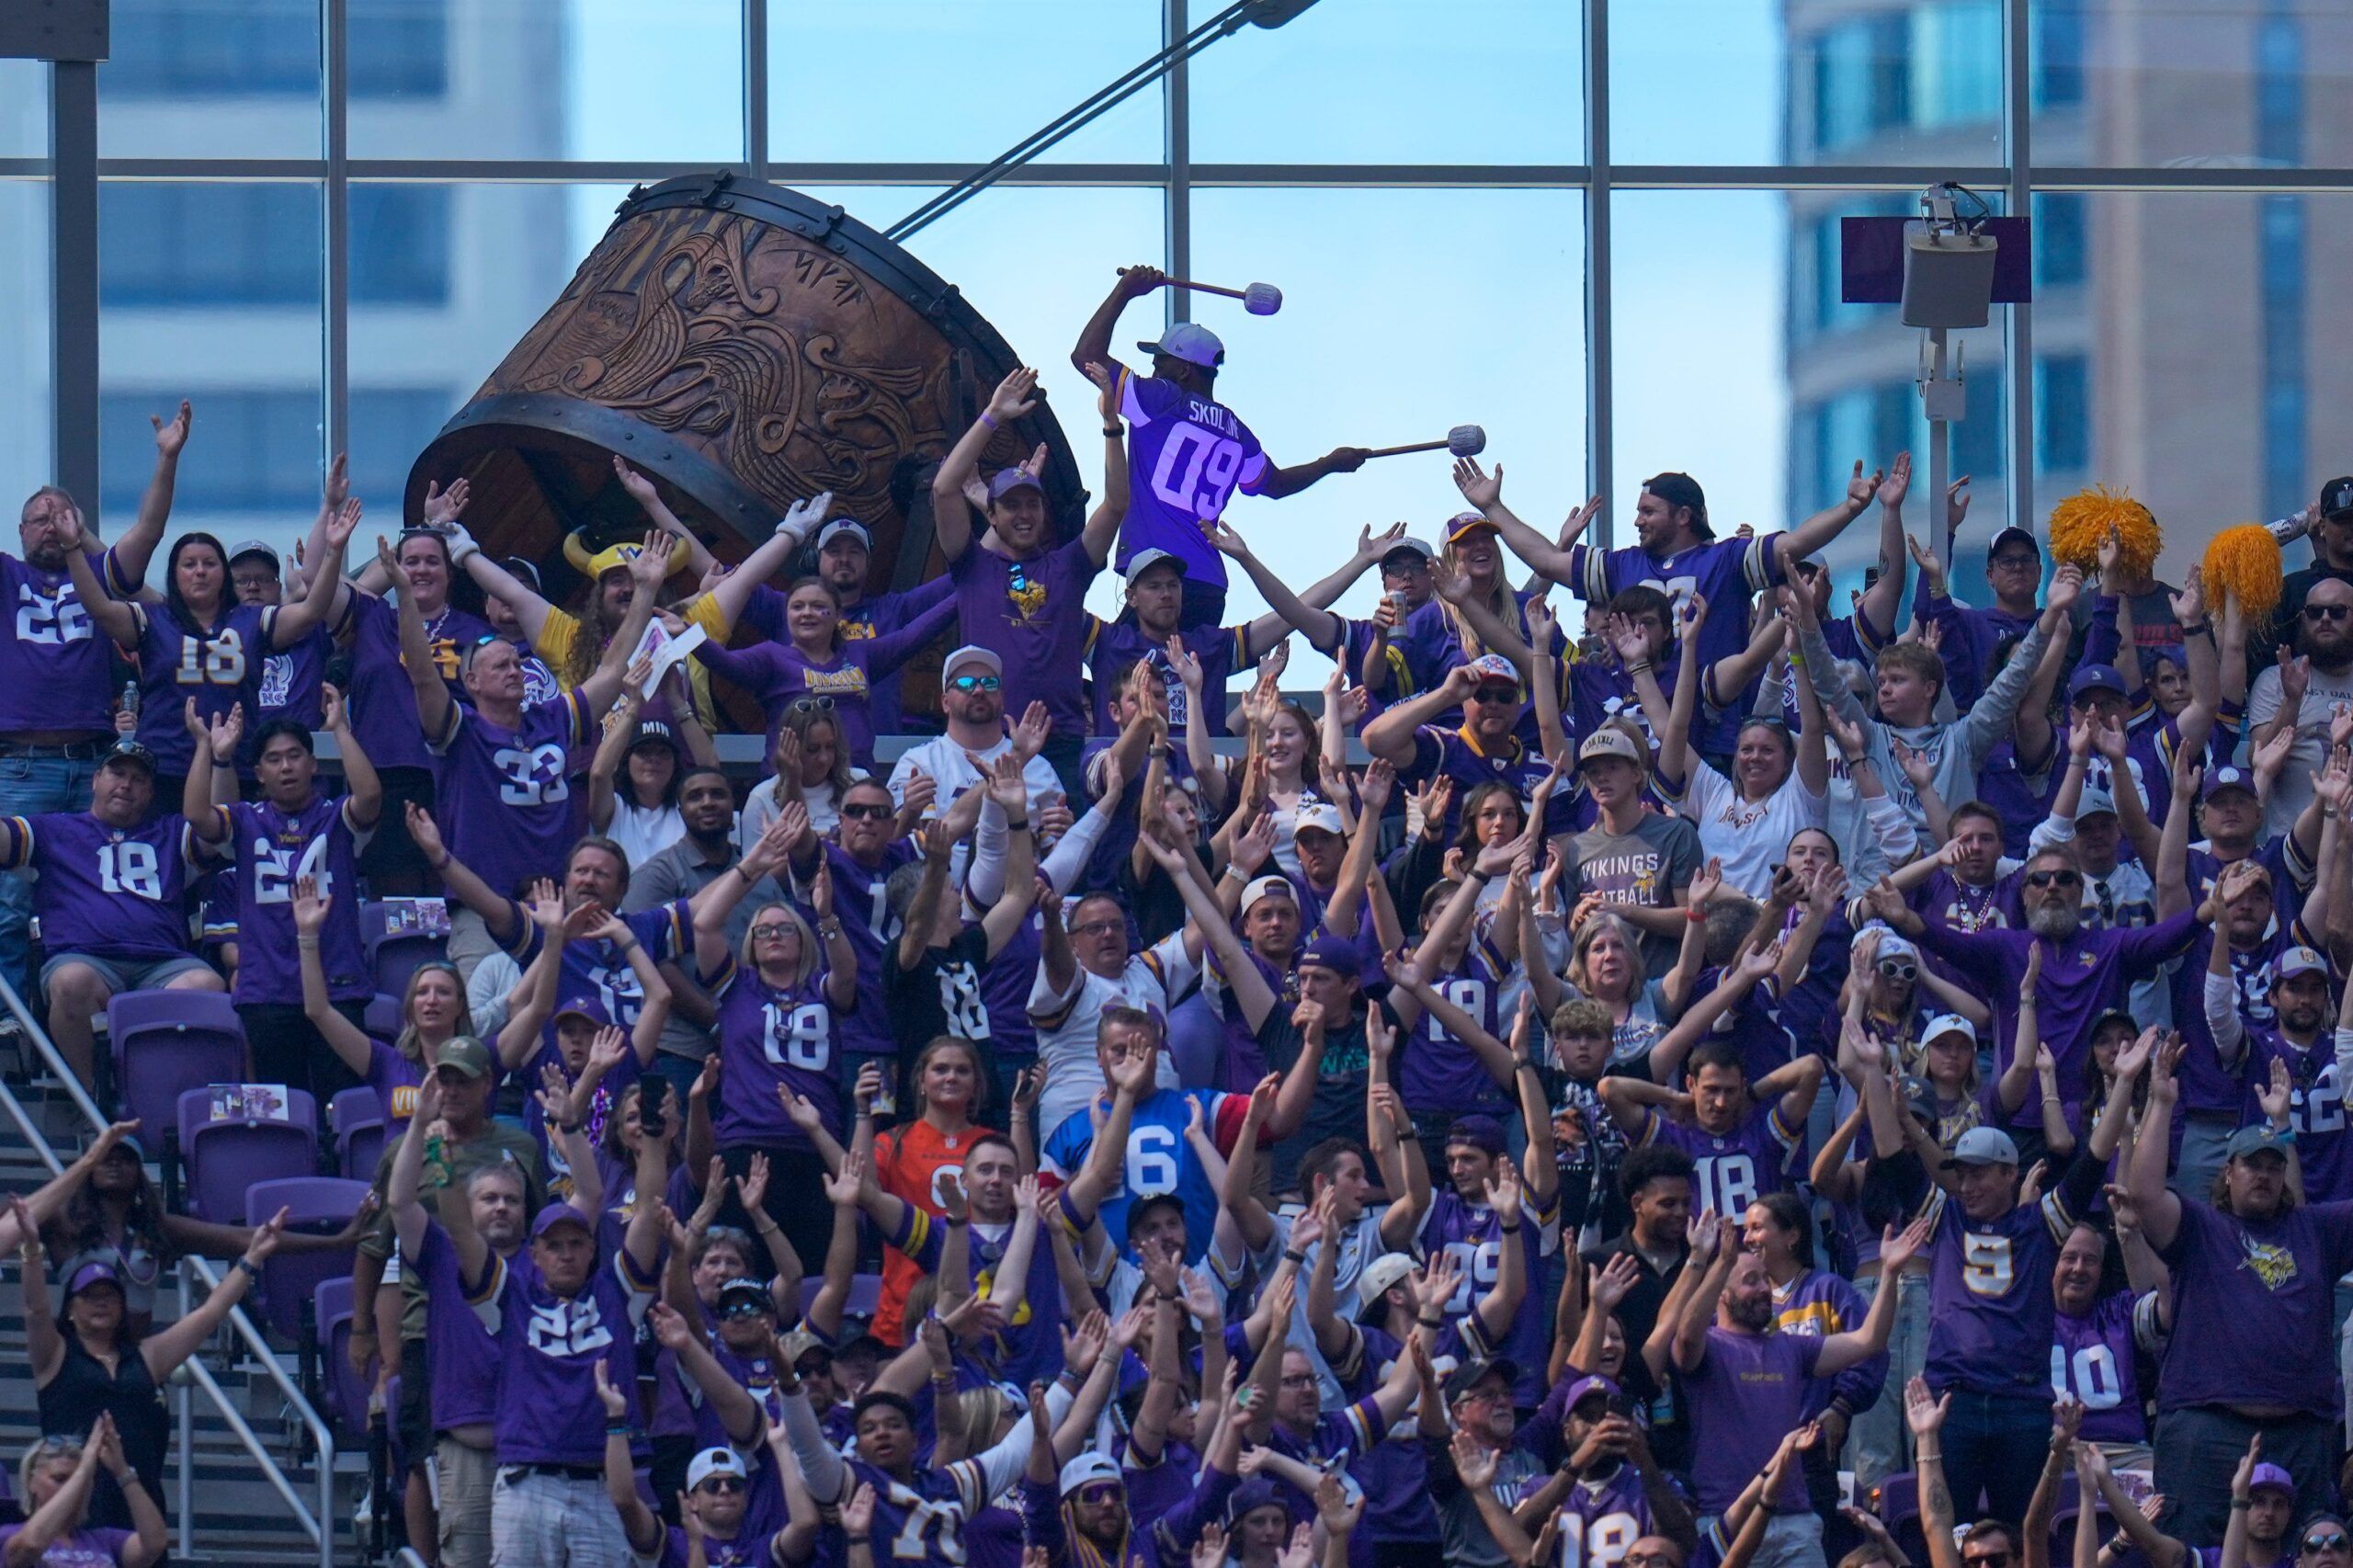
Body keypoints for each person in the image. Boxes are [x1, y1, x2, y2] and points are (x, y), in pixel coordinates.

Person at [393, 528, 663, 979]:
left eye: (517, 663)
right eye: (500, 666)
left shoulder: (553, 718)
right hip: (483, 911)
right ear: (472, 682)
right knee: (489, 1034)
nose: (514, 671)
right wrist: (404, 595)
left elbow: (613, 669)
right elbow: (422, 675)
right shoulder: (461, 730)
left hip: (558, 908)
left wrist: (647, 591)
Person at [2124, 1038, 2353, 1540]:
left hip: (2302, 1433)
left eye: (2274, 1167)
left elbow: (2303, 1198)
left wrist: (2284, 1129)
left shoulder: (2316, 1231)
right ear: (2227, 1174)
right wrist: (2162, 1102)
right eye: (2253, 1166)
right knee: (2192, 1553)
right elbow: (2142, 1195)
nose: (2265, 1176)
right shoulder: (2201, 1228)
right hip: (2207, 1432)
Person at [1070, 264, 1369, 628]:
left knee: (1118, 673)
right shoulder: (1237, 432)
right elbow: (1275, 486)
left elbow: (1085, 355)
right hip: (1209, 587)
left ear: (1183, 371)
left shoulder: (1160, 399)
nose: (1151, 369)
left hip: (1159, 578)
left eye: (1159, 361)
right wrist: (1328, 463)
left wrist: (1125, 291)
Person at [0, 403, 181, 996]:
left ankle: (79, 1018)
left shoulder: (100, 573)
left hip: (99, 764)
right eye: (37, 519)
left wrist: (167, 457)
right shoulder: (7, 577)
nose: (49, 526)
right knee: (9, 902)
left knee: (96, 896)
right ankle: (13, 1028)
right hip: (22, 765)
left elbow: (149, 532)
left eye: (60, 515)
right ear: (20, 532)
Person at [13, 1192, 285, 1529]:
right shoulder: (54, 1355)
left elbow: (209, 1314)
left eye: (109, 1295)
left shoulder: (147, 1355)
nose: (101, 1303)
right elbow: (35, 1309)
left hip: (137, 1501)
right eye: (89, 1296)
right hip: (71, 1511)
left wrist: (252, 1258)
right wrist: (31, 1250)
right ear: (70, 1308)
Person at [928, 366, 1129, 800]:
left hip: (1061, 743)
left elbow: (1115, 505)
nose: (1023, 514)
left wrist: (1112, 426)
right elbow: (944, 490)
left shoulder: (1069, 566)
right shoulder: (972, 566)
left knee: (1058, 862)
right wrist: (993, 416)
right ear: (992, 515)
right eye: (1011, 505)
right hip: (987, 737)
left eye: (1032, 505)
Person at [181, 684, 382, 1097]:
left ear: (313, 764)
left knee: (341, 1105)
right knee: (282, 1102)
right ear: (259, 773)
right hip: (267, 988)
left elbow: (371, 795)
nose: (286, 767)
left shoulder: (336, 819)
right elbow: (197, 814)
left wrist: (340, 730)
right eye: (273, 759)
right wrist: (207, 748)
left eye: (295, 756)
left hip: (338, 983)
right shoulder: (246, 820)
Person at [0, 740, 222, 1088]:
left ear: (150, 792)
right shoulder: (53, 830)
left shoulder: (173, 831)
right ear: (95, 779)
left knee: (206, 986)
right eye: (117, 773)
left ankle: (156, 1101)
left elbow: (221, 825)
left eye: (138, 779)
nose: (126, 785)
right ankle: (94, 1102)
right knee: (71, 983)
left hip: (163, 962)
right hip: (84, 959)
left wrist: (216, 756)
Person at [3, 1415, 166, 1568]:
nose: (72, 1489)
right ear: (32, 1482)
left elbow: (154, 1544)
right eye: (60, 1479)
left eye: (81, 1483)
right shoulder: (9, 1534)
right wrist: (84, 1469)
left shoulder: (103, 1539)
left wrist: (122, 1471)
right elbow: (30, 1546)